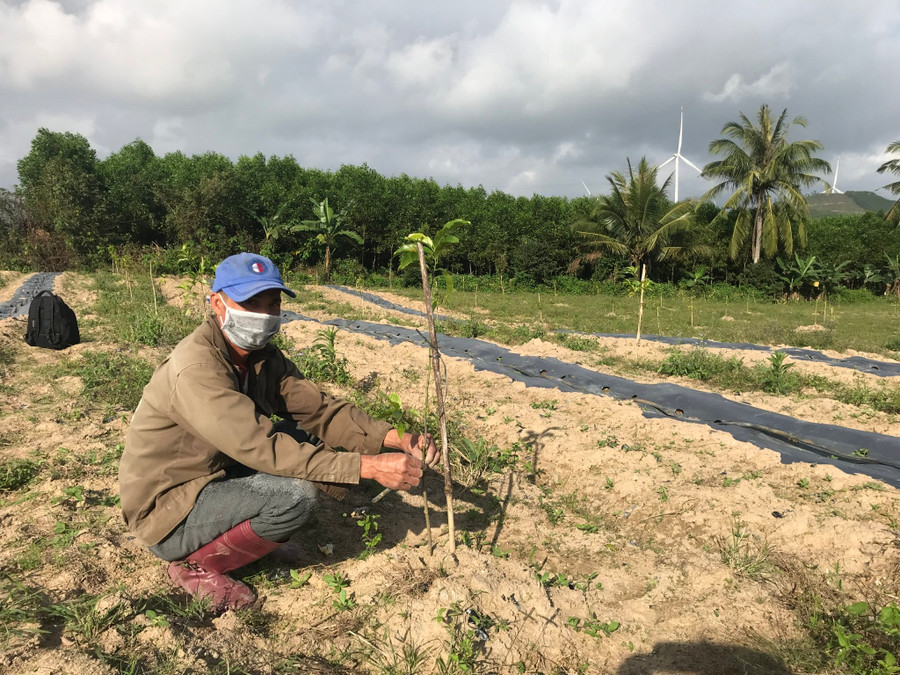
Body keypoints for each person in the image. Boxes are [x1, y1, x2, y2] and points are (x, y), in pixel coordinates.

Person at [119, 252, 438, 611]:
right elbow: (259, 445)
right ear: (217, 304)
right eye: (250, 302)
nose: (263, 315)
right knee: (295, 497)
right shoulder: (196, 368)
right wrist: (369, 466)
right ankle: (196, 565)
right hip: (170, 506)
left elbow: (320, 410)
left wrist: (395, 439)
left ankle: (246, 537)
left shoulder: (259, 357)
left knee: (306, 438)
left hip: (214, 472)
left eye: (271, 304)